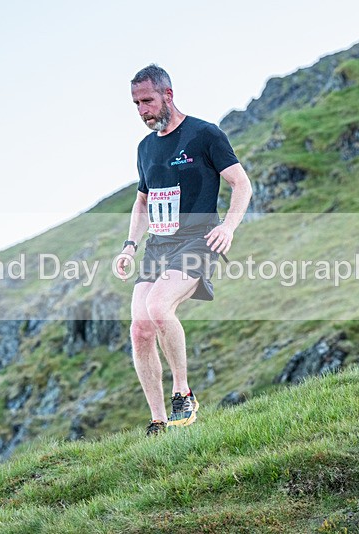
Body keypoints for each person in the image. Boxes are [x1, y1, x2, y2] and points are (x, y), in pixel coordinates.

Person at [115, 64, 252, 436]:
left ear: (168, 95)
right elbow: (142, 202)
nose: (142, 110)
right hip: (158, 246)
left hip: (198, 240)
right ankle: (159, 420)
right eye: (135, 104)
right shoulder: (145, 148)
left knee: (159, 306)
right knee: (140, 328)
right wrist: (130, 246)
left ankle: (183, 393)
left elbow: (241, 184)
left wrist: (229, 226)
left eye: (147, 101)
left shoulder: (205, 134)